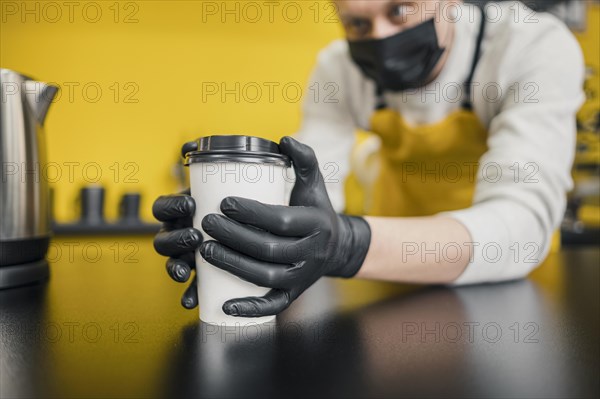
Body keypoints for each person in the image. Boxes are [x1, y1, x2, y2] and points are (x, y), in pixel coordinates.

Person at [153, 0, 585, 316]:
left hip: (511, 283)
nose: (380, 37)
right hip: (392, 275)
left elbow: (522, 227)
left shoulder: (532, 46)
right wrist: (233, 228)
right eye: (357, 23)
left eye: (400, 11)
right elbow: (313, 189)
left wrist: (348, 245)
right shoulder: (339, 67)